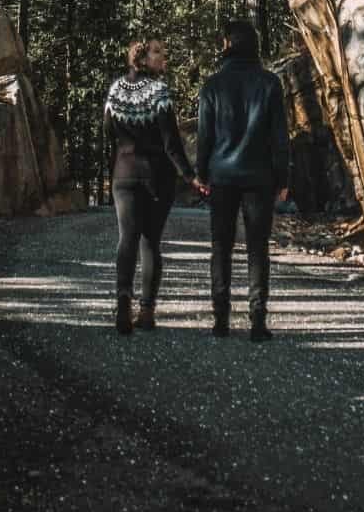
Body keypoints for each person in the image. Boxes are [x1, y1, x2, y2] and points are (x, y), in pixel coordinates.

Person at [195, 19, 289, 342]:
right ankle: (257, 321)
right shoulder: (270, 84)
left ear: (227, 45)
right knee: (257, 248)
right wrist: (283, 177)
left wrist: (201, 174)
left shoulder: (211, 86)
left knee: (220, 246)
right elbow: (279, 137)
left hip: (221, 176)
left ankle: (220, 319)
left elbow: (205, 136)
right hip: (259, 178)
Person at [104, 37, 202, 335]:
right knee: (150, 243)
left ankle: (123, 300)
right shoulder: (160, 92)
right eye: (158, 52)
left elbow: (108, 132)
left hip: (124, 174)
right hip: (156, 177)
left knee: (127, 238)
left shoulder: (115, 90)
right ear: (142, 58)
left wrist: (118, 164)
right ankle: (146, 311)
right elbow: (172, 143)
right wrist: (190, 176)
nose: (164, 58)